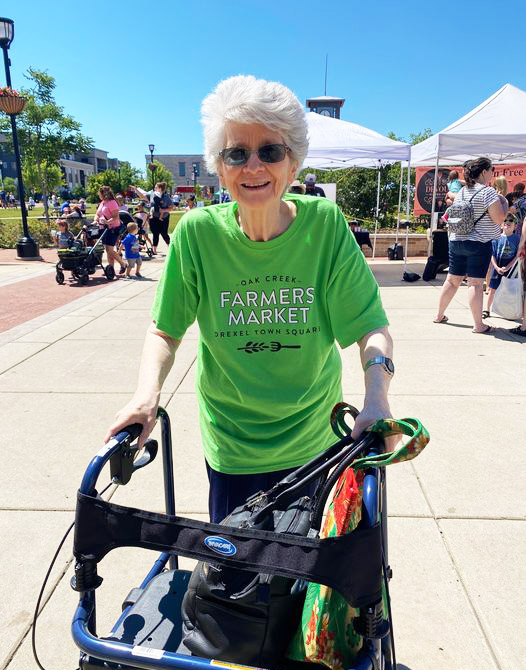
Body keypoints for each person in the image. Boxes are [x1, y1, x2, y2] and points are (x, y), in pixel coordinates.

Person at [106, 74, 393, 530]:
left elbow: (369, 327)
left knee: (307, 587)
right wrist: (146, 397)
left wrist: (376, 397)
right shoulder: (198, 233)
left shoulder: (325, 227)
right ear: (219, 167)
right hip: (232, 446)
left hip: (316, 443)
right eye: (237, 153)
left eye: (270, 151)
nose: (253, 166)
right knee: (237, 587)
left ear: (293, 164)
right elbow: (165, 329)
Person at [434, 157, 506, 333]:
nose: (492, 173)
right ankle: (478, 325)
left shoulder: (463, 191)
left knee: (452, 280)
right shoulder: (488, 192)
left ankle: (439, 315)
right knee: (475, 284)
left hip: (456, 241)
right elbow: (499, 219)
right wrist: (504, 207)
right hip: (479, 243)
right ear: (483, 172)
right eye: (491, 170)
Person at [484, 213, 520, 317]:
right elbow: (493, 255)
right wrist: (496, 267)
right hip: (498, 267)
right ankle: (487, 310)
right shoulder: (496, 238)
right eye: (505, 221)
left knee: (510, 291)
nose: (508, 222)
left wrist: (508, 267)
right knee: (492, 289)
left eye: (511, 221)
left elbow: (517, 256)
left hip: (511, 268)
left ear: (515, 226)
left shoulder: (517, 239)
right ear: (501, 224)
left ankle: (509, 311)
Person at [131, 182, 173, 254]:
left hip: (164, 217)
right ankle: (154, 250)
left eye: (156, 187)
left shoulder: (166, 197)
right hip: (153, 217)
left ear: (160, 188)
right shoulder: (152, 195)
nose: (154, 189)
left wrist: (164, 210)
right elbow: (142, 196)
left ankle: (171, 248)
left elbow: (172, 207)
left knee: (164, 233)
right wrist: (135, 190)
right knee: (155, 233)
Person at [93, 185, 126, 275]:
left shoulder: (112, 202)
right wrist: (95, 220)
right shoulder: (102, 202)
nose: (99, 195)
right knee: (108, 250)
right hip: (103, 229)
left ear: (104, 194)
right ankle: (111, 270)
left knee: (109, 250)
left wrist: (107, 222)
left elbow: (116, 217)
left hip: (112, 229)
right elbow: (97, 214)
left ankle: (123, 264)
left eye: (100, 193)